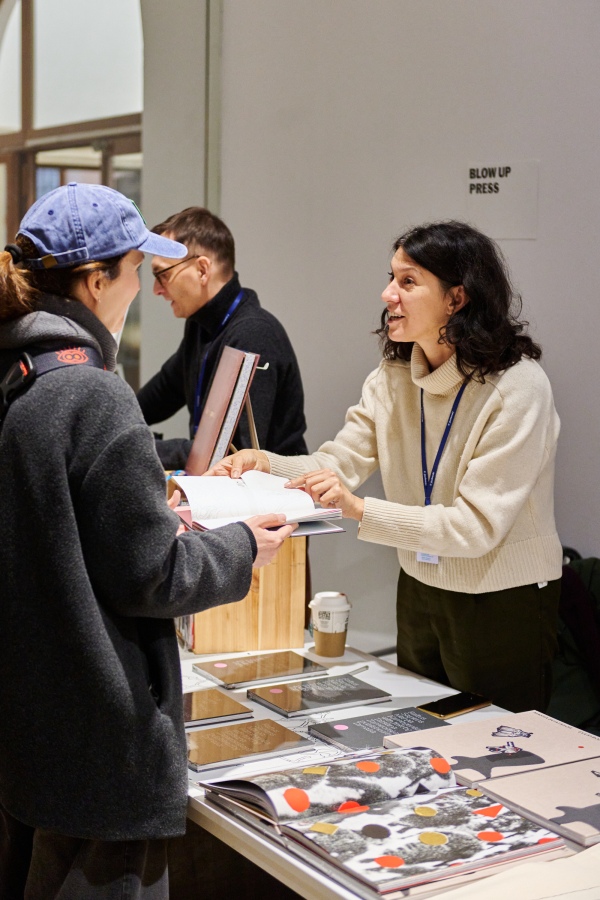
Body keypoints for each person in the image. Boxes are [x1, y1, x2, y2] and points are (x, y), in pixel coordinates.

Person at [0, 182, 294, 899]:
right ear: (96, 281)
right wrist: (241, 547)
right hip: (101, 724)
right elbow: (151, 574)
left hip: (33, 714)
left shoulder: (19, 377)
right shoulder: (92, 394)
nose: (144, 289)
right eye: (137, 269)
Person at [209, 220, 563, 715]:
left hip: (500, 596)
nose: (387, 294)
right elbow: (337, 463)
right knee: (423, 733)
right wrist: (263, 463)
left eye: (408, 281)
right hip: (419, 582)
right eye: (391, 277)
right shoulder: (395, 375)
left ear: (456, 299)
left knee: (497, 744)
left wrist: (358, 509)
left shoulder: (518, 387)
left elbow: (475, 527)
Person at [136, 207, 308, 470]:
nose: (156, 289)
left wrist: (136, 447)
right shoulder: (201, 326)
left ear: (202, 270)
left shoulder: (253, 334)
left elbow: (228, 452)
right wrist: (114, 422)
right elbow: (162, 393)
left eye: (163, 274)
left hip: (273, 490)